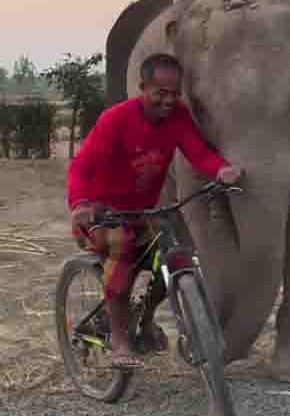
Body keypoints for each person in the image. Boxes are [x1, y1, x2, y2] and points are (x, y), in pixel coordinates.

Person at [67, 53, 243, 369]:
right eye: (160, 92)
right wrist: (80, 204)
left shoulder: (178, 117)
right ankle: (121, 344)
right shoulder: (116, 120)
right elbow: (82, 166)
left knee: (176, 257)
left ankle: (145, 321)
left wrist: (221, 171)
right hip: (102, 216)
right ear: (142, 87)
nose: (169, 100)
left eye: (175, 93)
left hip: (142, 214)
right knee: (121, 251)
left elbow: (198, 151)